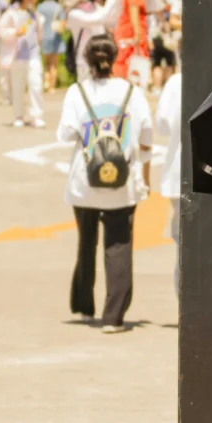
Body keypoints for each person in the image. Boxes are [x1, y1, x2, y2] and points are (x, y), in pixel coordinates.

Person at [57, 35, 153, 334]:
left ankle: (84, 306)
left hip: (84, 184)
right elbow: (147, 135)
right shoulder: (131, 92)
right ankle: (113, 317)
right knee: (119, 247)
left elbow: (65, 135)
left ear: (86, 59)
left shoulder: (77, 92)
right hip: (122, 185)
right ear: (115, 58)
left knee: (86, 245)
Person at [0, 0, 45, 128]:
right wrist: (14, 33)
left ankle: (36, 115)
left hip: (33, 55)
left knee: (36, 84)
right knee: (17, 86)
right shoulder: (11, 13)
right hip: (17, 56)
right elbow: (0, 30)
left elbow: (38, 32)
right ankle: (19, 115)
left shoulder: (34, 14)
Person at [59, 0, 123, 85]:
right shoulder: (73, 14)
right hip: (84, 61)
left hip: (102, 56)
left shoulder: (93, 6)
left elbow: (110, 20)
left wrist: (119, 0)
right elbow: (99, 17)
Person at [155, 68, 181, 296]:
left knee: (183, 246)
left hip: (177, 173)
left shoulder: (175, 82)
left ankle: (183, 303)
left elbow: (162, 125)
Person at [112, 0, 150, 80]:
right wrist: (137, 33)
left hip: (127, 30)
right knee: (127, 61)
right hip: (130, 31)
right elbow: (133, 11)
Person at [36, 0, 65, 91]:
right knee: (54, 64)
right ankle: (52, 86)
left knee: (46, 63)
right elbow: (63, 23)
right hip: (55, 37)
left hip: (44, 36)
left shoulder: (40, 7)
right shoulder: (58, 7)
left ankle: (46, 82)